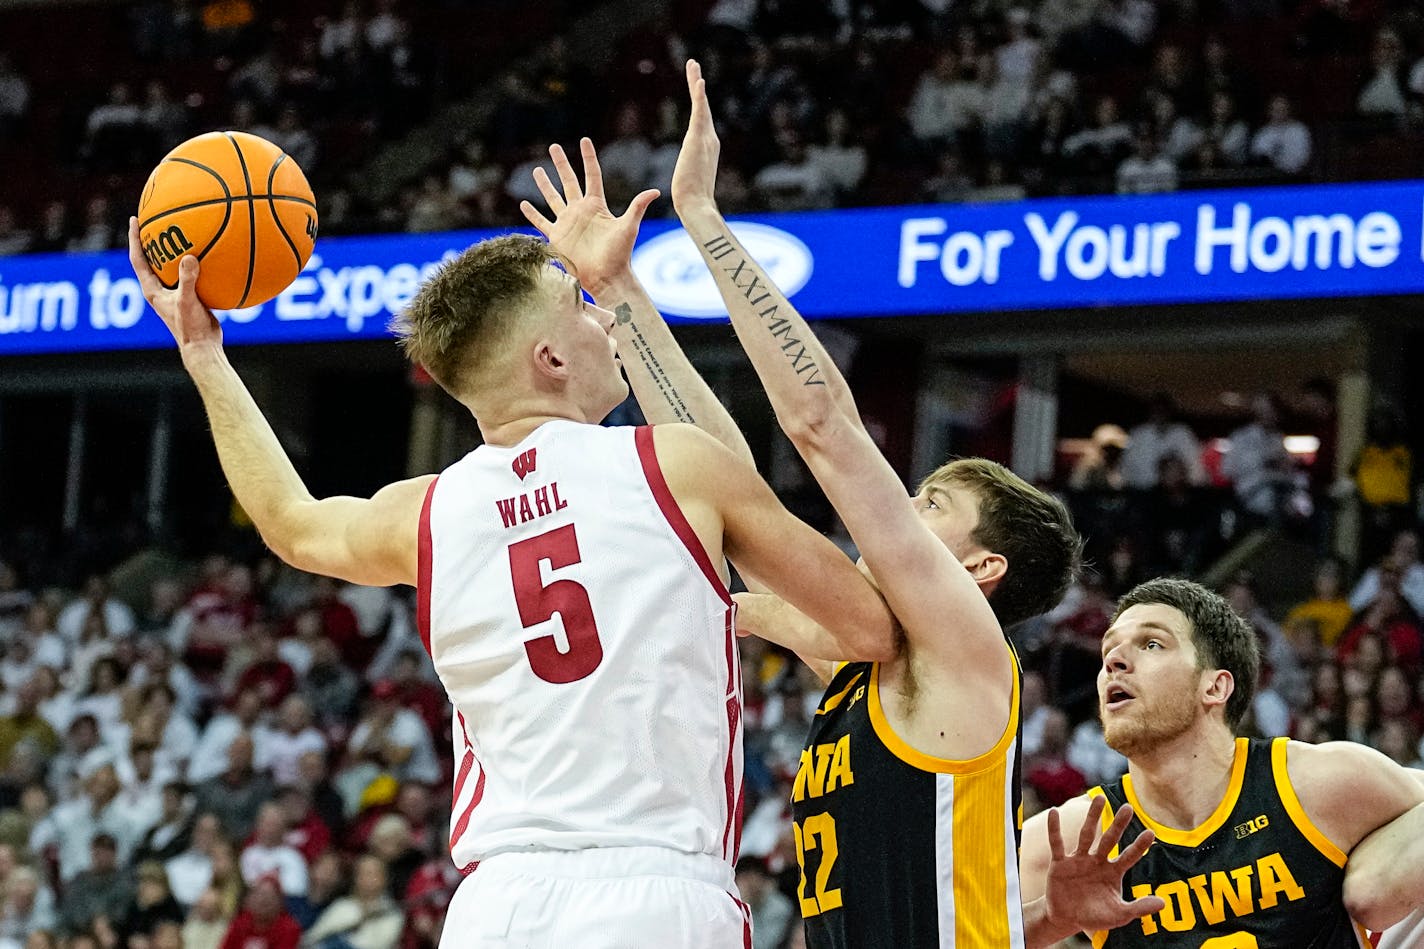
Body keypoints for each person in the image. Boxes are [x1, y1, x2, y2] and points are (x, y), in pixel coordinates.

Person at [125, 145, 895, 946]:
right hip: (658, 892)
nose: (602, 317)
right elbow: (867, 632)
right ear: (552, 358)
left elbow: (289, 520)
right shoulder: (674, 464)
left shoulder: (425, 512)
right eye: (583, 305)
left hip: (498, 906)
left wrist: (203, 353)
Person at [522, 60, 1081, 947]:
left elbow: (820, 421)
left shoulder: (970, 658)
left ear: (979, 569)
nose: (903, 507)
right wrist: (619, 291)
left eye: (931, 503)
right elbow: (728, 488)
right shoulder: (869, 661)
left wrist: (704, 219)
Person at [1019, 577, 1424, 947]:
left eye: (1151, 644)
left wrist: (1375, 886)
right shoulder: (1078, 837)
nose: (1113, 663)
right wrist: (1049, 919)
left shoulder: (1315, 783)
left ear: (1215, 686)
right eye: (1109, 650)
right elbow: (957, 931)